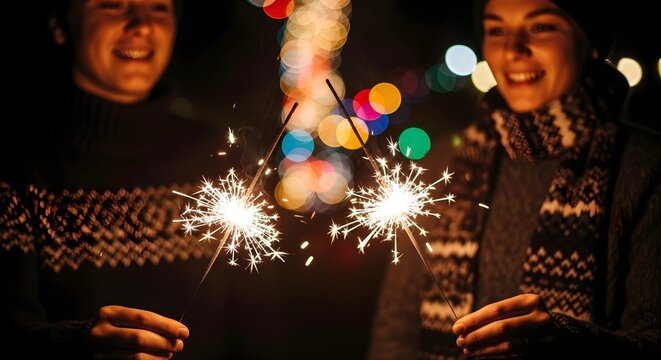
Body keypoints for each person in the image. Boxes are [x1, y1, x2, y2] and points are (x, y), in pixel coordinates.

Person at [368, 0, 661, 359]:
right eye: (496, 30)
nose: (512, 49)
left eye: (540, 27)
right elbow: (394, 335)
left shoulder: (645, 167)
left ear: (592, 41)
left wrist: (568, 343)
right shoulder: (447, 164)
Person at [0, 1, 286, 358]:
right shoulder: (17, 166)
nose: (140, 24)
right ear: (61, 23)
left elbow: (260, 331)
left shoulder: (222, 161)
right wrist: (76, 346)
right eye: (112, 4)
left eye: (157, 7)